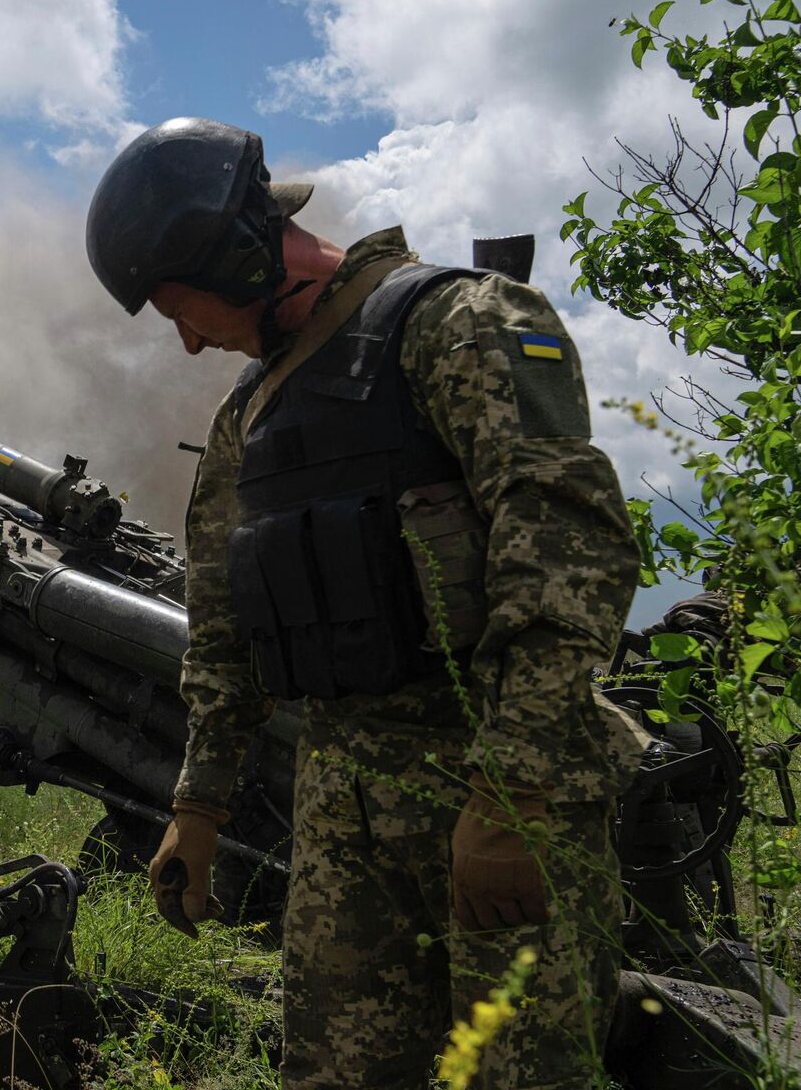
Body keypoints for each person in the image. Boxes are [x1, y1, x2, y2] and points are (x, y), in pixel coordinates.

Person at [87, 117, 647, 1087]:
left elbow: (564, 551)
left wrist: (515, 795)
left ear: (244, 252)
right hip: (343, 807)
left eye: (185, 307)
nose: (184, 342)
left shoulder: (456, 323)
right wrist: (201, 802)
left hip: (503, 784)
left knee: (522, 1070)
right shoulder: (250, 417)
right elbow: (222, 626)